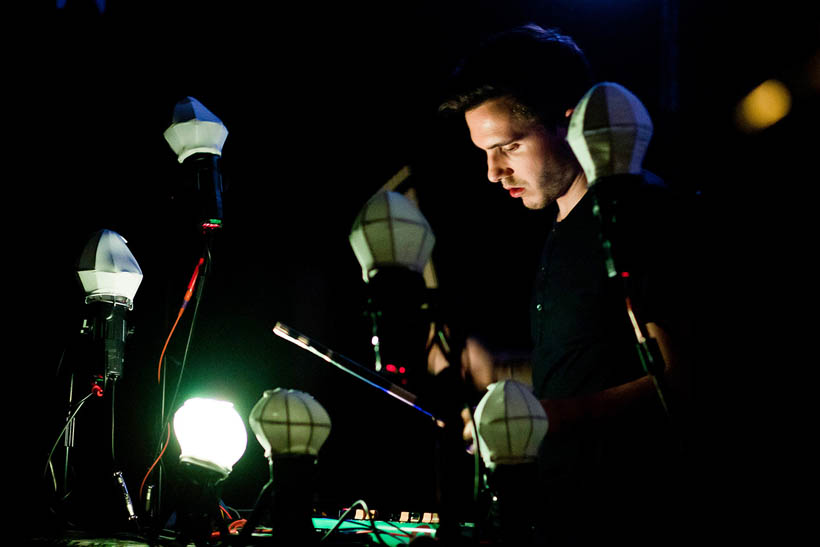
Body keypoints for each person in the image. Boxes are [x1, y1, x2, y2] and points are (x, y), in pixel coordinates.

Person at [436, 24, 697, 545]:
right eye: (484, 151)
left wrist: (542, 421)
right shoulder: (560, 228)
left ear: (569, 121)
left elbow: (687, 379)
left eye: (509, 145)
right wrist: (506, 376)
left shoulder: (637, 214)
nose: (493, 171)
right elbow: (601, 361)